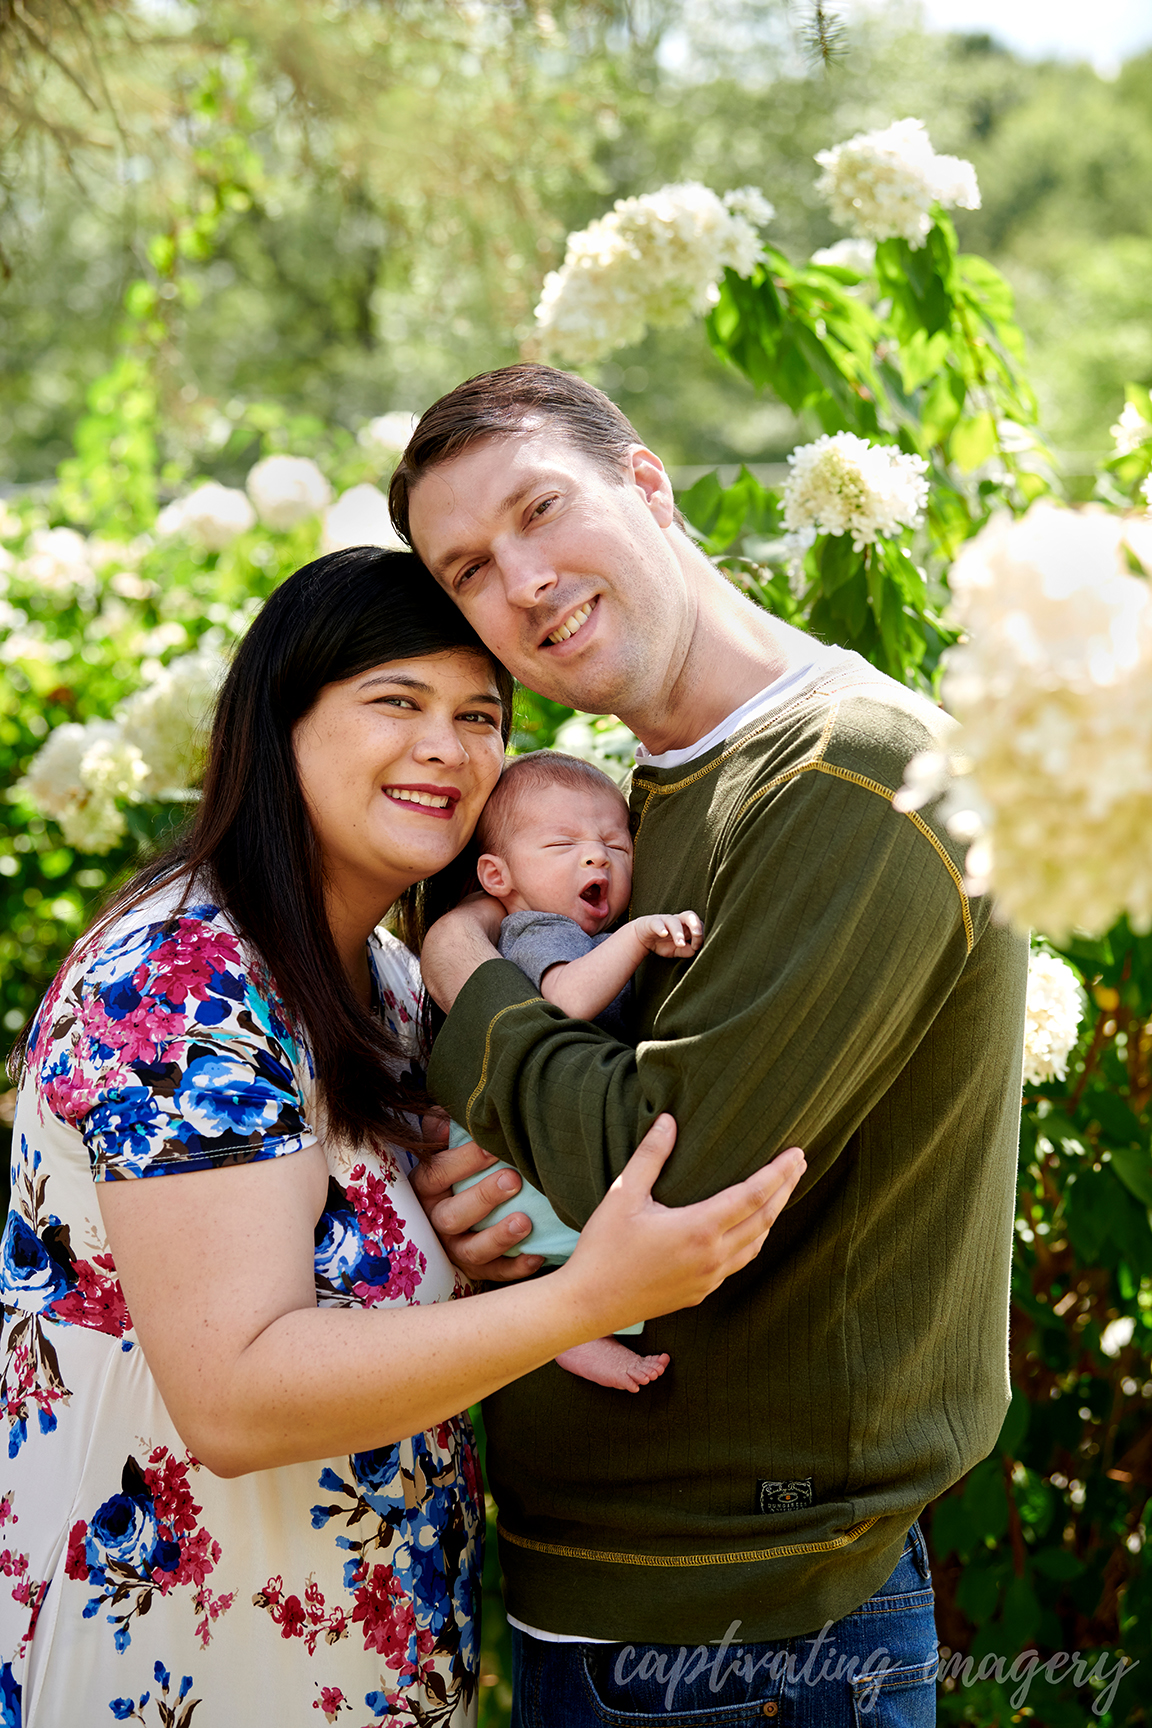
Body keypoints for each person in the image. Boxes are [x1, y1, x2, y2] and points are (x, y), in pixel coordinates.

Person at [0, 546, 805, 1728]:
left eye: (479, 714)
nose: (449, 746)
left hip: (357, 1664)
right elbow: (234, 1397)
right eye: (398, 702)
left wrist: (482, 1260)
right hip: (179, 1675)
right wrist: (578, 1300)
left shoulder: (380, 978)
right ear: (279, 722)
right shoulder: (180, 981)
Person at [388, 365, 1030, 1726]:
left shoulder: (854, 778)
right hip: (614, 1598)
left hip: (748, 1632)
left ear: (646, 482)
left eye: (541, 509)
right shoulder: (640, 801)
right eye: (468, 571)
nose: (522, 581)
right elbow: (573, 1138)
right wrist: (477, 1200)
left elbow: (663, 1191)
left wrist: (458, 969)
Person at [445, 749, 703, 1392]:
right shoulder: (537, 928)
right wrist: (639, 935)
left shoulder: (581, 930)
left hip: (524, 1136)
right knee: (586, 1237)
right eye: (562, 844)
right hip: (510, 1152)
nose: (596, 858)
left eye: (615, 844)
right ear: (497, 876)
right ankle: (569, 1328)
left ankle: (570, 1321)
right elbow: (567, 1002)